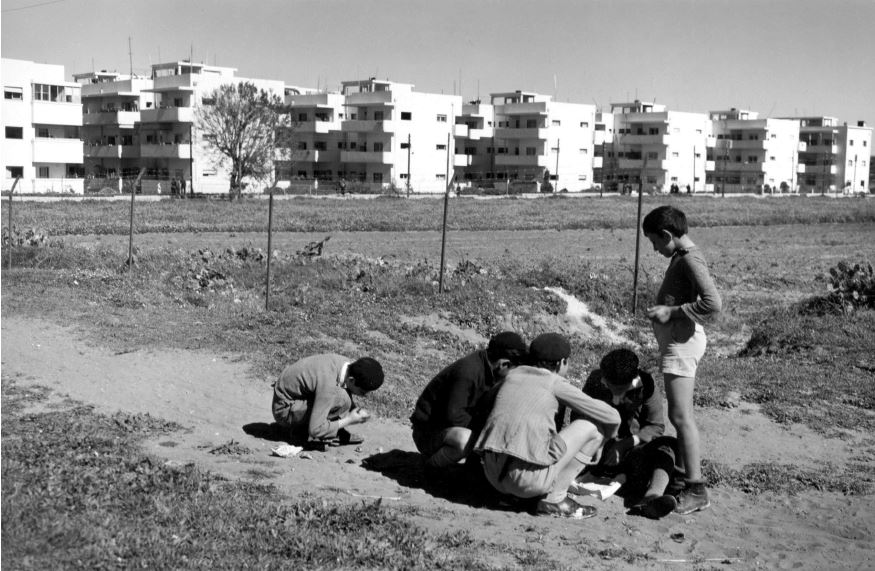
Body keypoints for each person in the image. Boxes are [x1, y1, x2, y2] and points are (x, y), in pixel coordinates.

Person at [473, 333, 621, 518]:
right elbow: (612, 417)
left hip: (492, 475)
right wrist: (603, 441)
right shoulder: (554, 383)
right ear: (561, 363)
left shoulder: (512, 375)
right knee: (594, 429)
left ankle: (513, 496)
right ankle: (555, 500)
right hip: (527, 482)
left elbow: (485, 409)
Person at [642, 205, 722, 514]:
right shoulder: (682, 256)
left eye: (654, 242)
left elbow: (713, 304)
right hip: (677, 343)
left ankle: (696, 488)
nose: (654, 248)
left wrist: (671, 312)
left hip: (682, 345)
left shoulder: (689, 258)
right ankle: (684, 477)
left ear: (667, 234)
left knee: (681, 417)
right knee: (680, 416)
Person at [581, 348, 680, 519]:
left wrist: (625, 444)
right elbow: (581, 417)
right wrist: (603, 442)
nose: (609, 386)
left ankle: (653, 496)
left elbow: (655, 427)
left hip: (634, 450)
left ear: (632, 381)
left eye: (618, 387)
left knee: (669, 444)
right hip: (599, 449)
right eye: (608, 383)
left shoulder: (646, 386)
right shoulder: (596, 381)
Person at [410, 332, 527, 469]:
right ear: (504, 364)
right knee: (465, 440)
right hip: (428, 433)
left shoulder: (488, 369)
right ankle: (430, 468)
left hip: (447, 430)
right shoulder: (468, 372)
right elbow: (454, 417)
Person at [272, 353, 384, 447]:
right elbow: (315, 429)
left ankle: (327, 428)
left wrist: (354, 409)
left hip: (295, 398)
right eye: (362, 392)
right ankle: (301, 432)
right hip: (284, 411)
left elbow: (343, 389)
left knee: (344, 399)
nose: (364, 396)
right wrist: (349, 420)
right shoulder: (328, 385)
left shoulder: (345, 365)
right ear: (352, 380)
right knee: (341, 399)